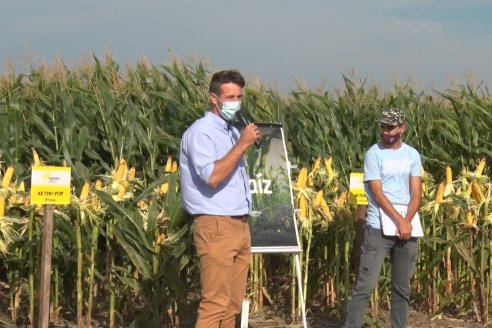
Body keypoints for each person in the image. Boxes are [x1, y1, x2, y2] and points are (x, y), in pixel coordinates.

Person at [179, 69, 260, 328]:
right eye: (230, 97)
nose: (235, 103)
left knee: (233, 304)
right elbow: (212, 177)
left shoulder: (232, 131)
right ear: (214, 98)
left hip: (239, 224)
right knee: (215, 303)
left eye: (239, 97)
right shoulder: (201, 133)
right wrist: (242, 145)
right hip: (215, 225)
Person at [344, 107, 422, 328]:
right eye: (383, 127)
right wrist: (401, 220)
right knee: (364, 286)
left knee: (402, 288)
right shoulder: (374, 153)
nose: (386, 132)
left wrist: (406, 221)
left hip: (406, 228)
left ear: (402, 128)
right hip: (378, 227)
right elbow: (377, 193)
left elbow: (417, 193)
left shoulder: (412, 155)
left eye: (390, 127)